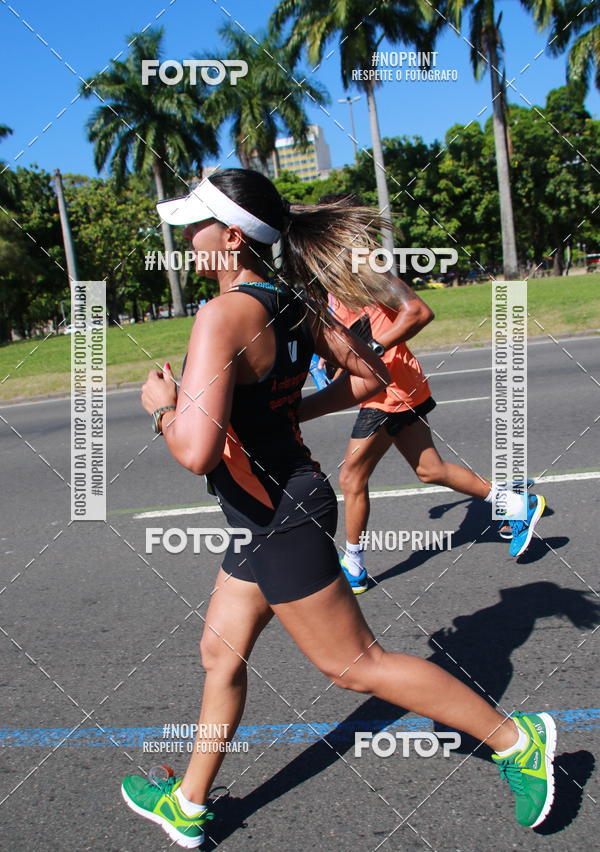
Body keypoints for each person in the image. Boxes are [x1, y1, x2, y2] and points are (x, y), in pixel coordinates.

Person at [121, 170, 556, 848]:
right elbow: (369, 377)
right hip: (266, 509)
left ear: (231, 238)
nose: (187, 236)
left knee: (354, 665)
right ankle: (187, 800)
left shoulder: (222, 313)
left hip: (279, 515)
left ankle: (516, 741)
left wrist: (164, 408)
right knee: (220, 650)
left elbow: (196, 453)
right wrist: (285, 408)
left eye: (197, 225)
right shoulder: (291, 300)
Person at [316, 194, 545, 595]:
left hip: (389, 390)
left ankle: (353, 567)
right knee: (429, 470)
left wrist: (374, 352)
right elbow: (358, 329)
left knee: (351, 476)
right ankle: (516, 505)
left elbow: (417, 312)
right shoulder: (339, 276)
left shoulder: (366, 267)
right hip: (398, 384)